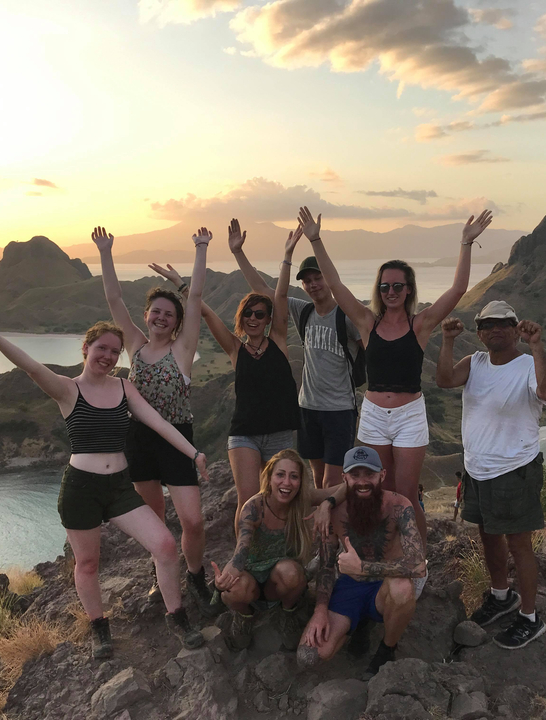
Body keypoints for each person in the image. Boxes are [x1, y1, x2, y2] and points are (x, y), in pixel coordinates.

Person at [0, 320, 209, 658]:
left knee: (164, 544)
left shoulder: (124, 388)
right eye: (102, 348)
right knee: (87, 564)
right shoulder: (67, 389)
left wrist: (194, 453)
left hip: (119, 487)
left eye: (115, 351)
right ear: (86, 348)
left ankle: (178, 617)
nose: (109, 356)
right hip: (81, 489)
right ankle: (99, 628)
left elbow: (159, 423)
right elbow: (29, 366)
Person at [298, 205, 493, 554]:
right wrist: (315, 239)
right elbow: (336, 284)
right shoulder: (366, 322)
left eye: (397, 286)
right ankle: (379, 555)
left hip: (409, 417)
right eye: (385, 285)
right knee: (375, 492)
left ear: (408, 290)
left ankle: (417, 560)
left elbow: (458, 289)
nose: (390, 291)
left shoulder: (421, 325)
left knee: (405, 495)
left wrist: (465, 244)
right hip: (373, 416)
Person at [92, 225, 219, 616]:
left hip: (177, 438)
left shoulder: (183, 349)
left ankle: (194, 574)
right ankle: (160, 572)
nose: (162, 317)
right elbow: (113, 297)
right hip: (140, 441)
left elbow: (195, 296)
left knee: (193, 522)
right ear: (146, 316)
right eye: (156, 312)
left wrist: (200, 248)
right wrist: (106, 252)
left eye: (169, 314)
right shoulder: (135, 345)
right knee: (156, 522)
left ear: (177, 322)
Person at [437, 303, 546, 650]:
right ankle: (500, 596)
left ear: (515, 328)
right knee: (488, 536)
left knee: (519, 544)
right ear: (479, 333)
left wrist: (537, 347)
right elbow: (444, 380)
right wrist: (447, 341)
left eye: (503, 324)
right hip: (478, 469)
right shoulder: (474, 363)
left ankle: (530, 618)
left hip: (514, 469)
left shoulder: (527, 365)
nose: (495, 330)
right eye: (487, 325)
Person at [227, 219, 362, 490]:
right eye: (308, 281)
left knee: (332, 481)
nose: (313, 285)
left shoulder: (347, 316)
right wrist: (238, 253)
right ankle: (318, 531)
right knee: (313, 480)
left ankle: (331, 532)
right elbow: (265, 291)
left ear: (329, 278)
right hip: (308, 408)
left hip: (339, 410)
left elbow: (371, 341)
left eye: (318, 278)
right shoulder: (304, 311)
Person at [201, 226, 302, 536]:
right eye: (248, 314)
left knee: (279, 499)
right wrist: (181, 284)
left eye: (260, 314)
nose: (254, 319)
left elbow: (281, 295)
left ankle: (279, 555)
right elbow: (205, 312)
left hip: (281, 432)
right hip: (245, 434)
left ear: (269, 319)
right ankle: (243, 560)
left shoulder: (280, 341)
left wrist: (286, 256)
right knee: (248, 501)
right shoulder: (235, 348)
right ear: (241, 318)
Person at [298, 446, 426, 680]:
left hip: (385, 587)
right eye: (355, 475)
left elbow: (418, 566)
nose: (363, 482)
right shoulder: (334, 513)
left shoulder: (399, 506)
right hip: (351, 586)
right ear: (344, 478)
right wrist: (320, 610)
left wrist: (364, 568)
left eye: (370, 474)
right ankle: (358, 623)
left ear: (382, 476)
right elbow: (327, 567)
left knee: (403, 589)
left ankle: (387, 649)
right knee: (309, 655)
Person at [210, 449, 312, 651]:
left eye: (294, 476)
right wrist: (223, 580)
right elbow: (241, 550)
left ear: (300, 482)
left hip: (280, 581)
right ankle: (244, 617)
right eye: (280, 475)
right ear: (270, 477)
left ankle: (287, 613)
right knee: (233, 590)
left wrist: (328, 505)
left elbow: (338, 491)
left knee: (292, 573)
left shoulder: (301, 502)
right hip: (252, 580)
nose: (286, 483)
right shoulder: (254, 507)